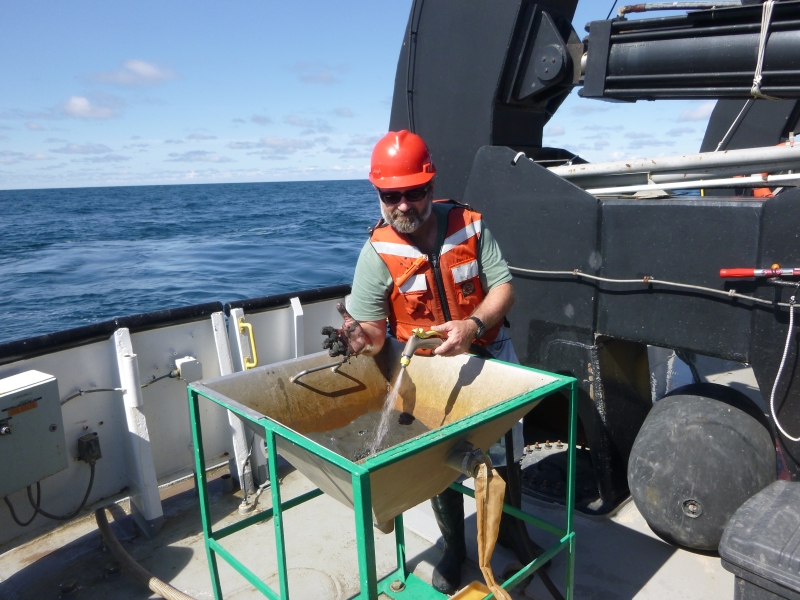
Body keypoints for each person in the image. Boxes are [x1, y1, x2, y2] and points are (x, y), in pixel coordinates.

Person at [323, 130, 542, 595]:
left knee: (504, 457)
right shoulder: (376, 254)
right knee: (439, 463)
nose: (404, 205)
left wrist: (473, 326)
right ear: (379, 195)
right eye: (391, 195)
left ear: (430, 185)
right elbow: (373, 332)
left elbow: (503, 287)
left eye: (414, 192)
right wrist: (353, 337)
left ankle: (513, 532)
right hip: (427, 371)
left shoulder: (471, 225)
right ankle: (454, 547)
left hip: (489, 354)